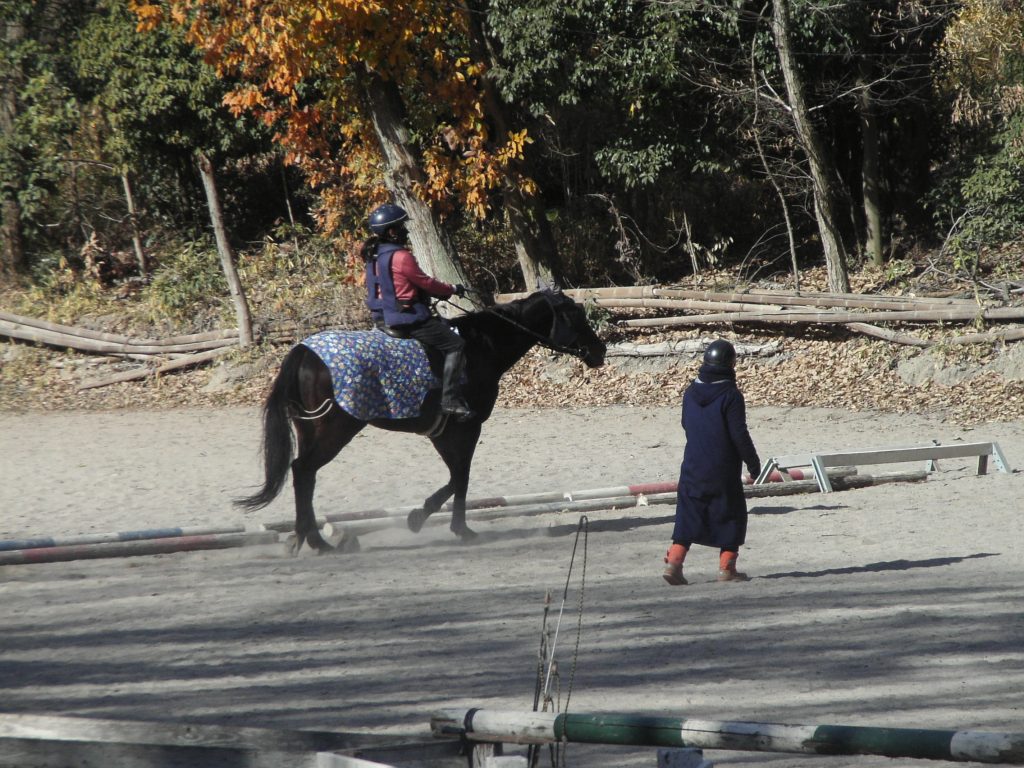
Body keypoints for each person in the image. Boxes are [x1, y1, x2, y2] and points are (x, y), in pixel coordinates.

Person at [362, 203, 475, 421]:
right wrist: (452, 289)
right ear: (392, 231)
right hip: (406, 319)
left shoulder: (373, 255)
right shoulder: (401, 256)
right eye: (401, 226)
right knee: (455, 344)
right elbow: (426, 283)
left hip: (381, 318)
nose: (405, 230)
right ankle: (450, 400)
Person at [663, 339, 761, 585]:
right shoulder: (731, 395)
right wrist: (753, 463)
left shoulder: (690, 392)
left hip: (693, 464)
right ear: (730, 365)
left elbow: (686, 423)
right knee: (732, 514)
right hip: (723, 467)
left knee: (688, 514)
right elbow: (739, 434)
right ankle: (726, 569)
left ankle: (674, 563)